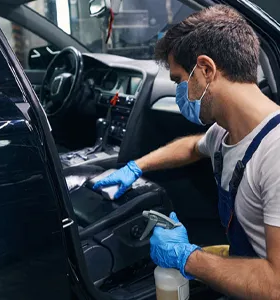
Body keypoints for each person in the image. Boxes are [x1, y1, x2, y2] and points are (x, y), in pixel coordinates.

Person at [93, 5, 280, 299]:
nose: (181, 93)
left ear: (205, 70)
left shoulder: (275, 154)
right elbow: (192, 146)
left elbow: (276, 285)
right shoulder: (224, 131)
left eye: (180, 80)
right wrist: (135, 167)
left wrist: (187, 258)